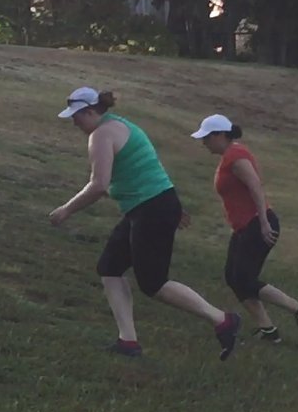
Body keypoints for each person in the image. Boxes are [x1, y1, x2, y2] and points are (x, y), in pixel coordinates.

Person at [50, 87, 243, 360]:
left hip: (151, 209)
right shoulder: (123, 126)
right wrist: (171, 207)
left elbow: (98, 185)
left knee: (153, 283)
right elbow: (143, 169)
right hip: (151, 206)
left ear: (91, 112)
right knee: (110, 267)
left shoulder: (102, 135)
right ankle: (128, 342)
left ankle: (223, 320)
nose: (74, 123)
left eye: (77, 117)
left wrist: (66, 210)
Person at [191, 114, 298, 345]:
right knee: (233, 277)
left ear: (220, 135)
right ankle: (268, 330)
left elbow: (255, 186)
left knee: (245, 279)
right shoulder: (230, 155)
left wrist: (263, 222)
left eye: (207, 138)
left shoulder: (236, 156)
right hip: (243, 227)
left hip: (256, 224)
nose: (204, 143)